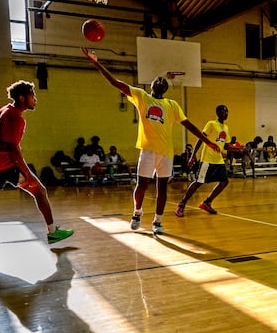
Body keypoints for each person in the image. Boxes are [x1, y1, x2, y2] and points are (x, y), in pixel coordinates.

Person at [82, 47, 219, 234]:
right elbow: (115, 83)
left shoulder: (172, 105)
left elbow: (190, 125)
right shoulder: (142, 97)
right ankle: (137, 213)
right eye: (157, 79)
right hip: (147, 151)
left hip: (166, 153)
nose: (160, 80)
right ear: (152, 85)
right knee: (141, 186)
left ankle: (158, 221)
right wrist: (96, 63)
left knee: (162, 189)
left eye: (163, 80)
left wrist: (207, 141)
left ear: (165, 88)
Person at [0, 80, 73, 256]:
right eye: (32, 95)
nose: (35, 99)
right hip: (4, 165)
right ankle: (53, 232)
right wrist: (28, 174)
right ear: (22, 97)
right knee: (39, 191)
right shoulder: (15, 118)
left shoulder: (5, 110)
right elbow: (13, 150)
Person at [175, 104, 230, 217]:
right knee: (198, 182)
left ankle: (207, 202)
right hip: (207, 159)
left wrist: (239, 148)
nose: (226, 113)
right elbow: (201, 138)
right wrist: (192, 155)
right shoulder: (211, 124)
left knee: (224, 181)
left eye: (227, 111)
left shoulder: (226, 128)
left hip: (218, 160)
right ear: (218, 113)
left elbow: (226, 146)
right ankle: (182, 204)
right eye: (224, 111)